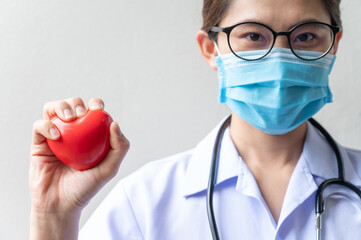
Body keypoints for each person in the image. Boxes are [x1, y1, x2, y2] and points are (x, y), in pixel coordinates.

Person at [29, 0, 361, 239]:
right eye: (253, 36)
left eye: (305, 36)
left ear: (333, 45)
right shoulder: (145, 201)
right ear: (210, 49)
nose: (279, 58)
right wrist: (54, 216)